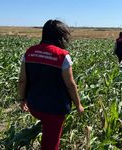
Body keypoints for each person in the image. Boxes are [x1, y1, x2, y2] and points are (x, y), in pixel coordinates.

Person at [18, 19, 84, 150]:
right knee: (50, 144)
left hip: (34, 105)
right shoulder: (62, 56)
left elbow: (22, 80)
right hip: (54, 110)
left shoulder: (29, 52)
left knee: (46, 127)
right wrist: (78, 105)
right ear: (60, 36)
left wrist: (22, 99)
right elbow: (70, 84)